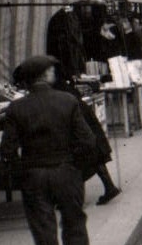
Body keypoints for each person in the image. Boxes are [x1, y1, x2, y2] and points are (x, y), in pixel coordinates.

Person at [0, 55, 97, 245]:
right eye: (51, 70)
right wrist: (75, 167)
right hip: (66, 171)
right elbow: (87, 141)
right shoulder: (67, 101)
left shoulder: (16, 108)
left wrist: (23, 171)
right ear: (44, 75)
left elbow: (7, 151)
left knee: (44, 234)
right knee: (74, 225)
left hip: (34, 175)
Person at [51, 65, 121, 206]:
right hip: (85, 118)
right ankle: (109, 187)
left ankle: (79, 199)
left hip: (77, 121)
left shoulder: (56, 88)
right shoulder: (65, 84)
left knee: (81, 159)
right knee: (94, 155)